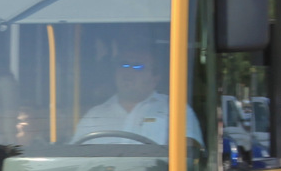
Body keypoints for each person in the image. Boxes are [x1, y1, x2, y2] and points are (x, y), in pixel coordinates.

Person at [72, 46, 203, 145]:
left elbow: (191, 154)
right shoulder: (95, 115)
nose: (128, 72)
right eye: (123, 64)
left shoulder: (175, 109)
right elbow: (75, 157)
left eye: (138, 66)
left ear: (155, 78)